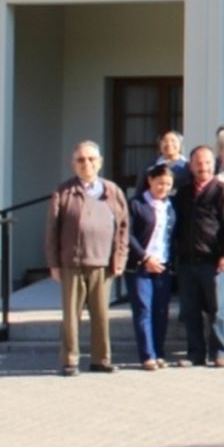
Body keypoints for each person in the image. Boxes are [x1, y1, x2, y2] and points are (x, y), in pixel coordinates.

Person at [46, 141, 130, 375]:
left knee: (101, 315)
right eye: (81, 160)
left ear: (100, 162)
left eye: (91, 159)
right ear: (73, 164)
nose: (87, 164)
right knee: (71, 316)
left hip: (102, 263)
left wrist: (120, 258)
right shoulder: (64, 191)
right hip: (71, 263)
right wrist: (53, 263)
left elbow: (123, 227)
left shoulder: (112, 191)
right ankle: (69, 361)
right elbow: (52, 230)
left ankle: (101, 359)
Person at [174, 144, 224, 368]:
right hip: (187, 262)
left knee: (217, 310)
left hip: (214, 261)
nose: (203, 167)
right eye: (198, 163)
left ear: (214, 165)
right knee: (190, 311)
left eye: (207, 163)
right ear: (191, 166)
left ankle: (221, 352)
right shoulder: (183, 193)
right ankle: (195, 354)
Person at [127, 162, 176, 370]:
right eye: (159, 183)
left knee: (161, 311)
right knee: (143, 310)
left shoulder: (170, 206)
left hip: (163, 265)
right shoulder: (136, 204)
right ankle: (147, 355)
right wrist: (145, 258)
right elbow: (127, 235)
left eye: (167, 184)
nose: (163, 188)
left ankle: (159, 352)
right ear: (150, 181)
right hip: (140, 266)